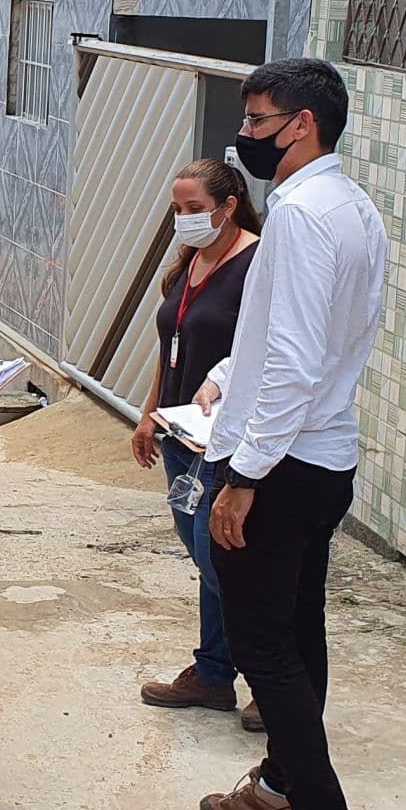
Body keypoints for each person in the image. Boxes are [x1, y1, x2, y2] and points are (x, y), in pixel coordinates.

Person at [191, 58, 385, 810]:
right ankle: (279, 782)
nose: (246, 135)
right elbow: (296, 340)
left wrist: (244, 473)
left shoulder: (304, 215)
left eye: (258, 120)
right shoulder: (351, 205)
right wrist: (227, 379)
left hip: (283, 463)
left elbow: (297, 361)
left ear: (302, 124)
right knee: (298, 633)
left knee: (265, 648)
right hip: (321, 456)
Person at [129, 159, 262, 730]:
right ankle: (213, 672)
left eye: (194, 209)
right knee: (205, 560)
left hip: (223, 443)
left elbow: (265, 355)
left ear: (229, 206)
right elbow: (171, 346)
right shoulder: (190, 261)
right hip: (180, 434)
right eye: (177, 210)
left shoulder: (257, 264)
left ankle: (268, 679)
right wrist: (148, 415)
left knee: (223, 564)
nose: (184, 219)